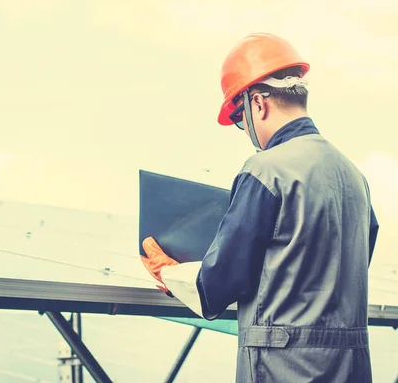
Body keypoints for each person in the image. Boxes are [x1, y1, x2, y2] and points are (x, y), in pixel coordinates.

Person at [140, 33, 379, 382]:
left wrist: (169, 272)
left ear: (258, 103)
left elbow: (220, 283)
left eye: (240, 119)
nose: (245, 131)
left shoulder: (266, 169)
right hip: (352, 368)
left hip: (282, 369)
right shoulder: (354, 177)